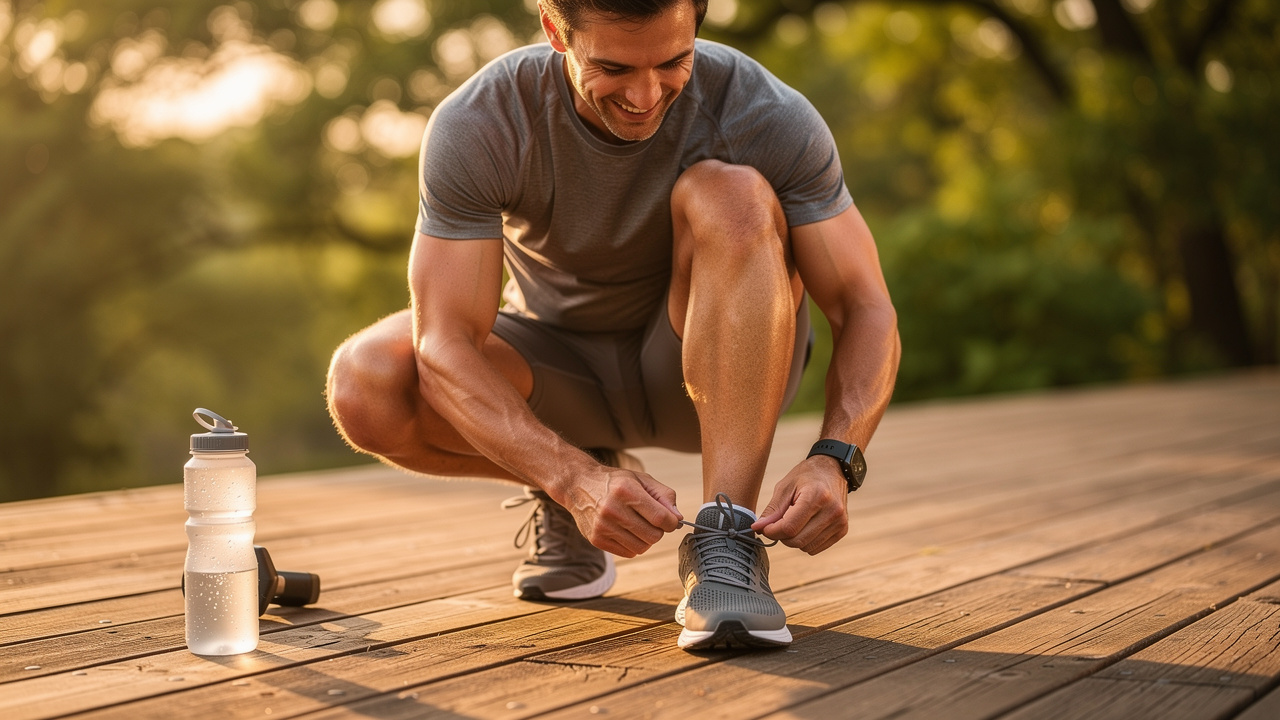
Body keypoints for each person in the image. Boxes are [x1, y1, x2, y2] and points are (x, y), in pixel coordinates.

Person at [326, 0, 899, 651]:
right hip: (556, 373)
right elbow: (444, 342)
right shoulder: (484, 120)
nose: (645, 95)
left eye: (673, 61)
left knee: (733, 193)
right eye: (614, 68)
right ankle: (579, 477)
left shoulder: (764, 113)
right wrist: (570, 479)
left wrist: (837, 458)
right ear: (555, 31)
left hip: (712, 370)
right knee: (366, 383)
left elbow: (864, 306)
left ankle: (726, 537)